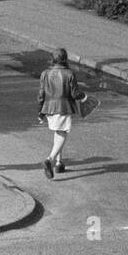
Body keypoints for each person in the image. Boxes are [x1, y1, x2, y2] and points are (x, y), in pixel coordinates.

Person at [38, 48, 85, 178]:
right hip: (63, 107)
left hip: (49, 108)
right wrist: (84, 96)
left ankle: (59, 163)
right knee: (63, 133)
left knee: (58, 132)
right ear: (65, 59)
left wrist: (40, 112)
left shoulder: (45, 74)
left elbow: (41, 95)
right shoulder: (69, 74)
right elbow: (75, 94)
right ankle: (50, 160)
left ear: (53, 60)